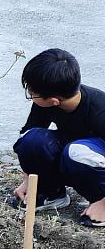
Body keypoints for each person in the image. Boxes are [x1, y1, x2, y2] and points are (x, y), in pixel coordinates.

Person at [10, 49, 105, 227]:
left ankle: (100, 200)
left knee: (76, 152)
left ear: (54, 100)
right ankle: (51, 194)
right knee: (31, 139)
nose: (31, 95)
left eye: (32, 93)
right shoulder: (44, 103)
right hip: (73, 156)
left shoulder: (100, 109)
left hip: (93, 160)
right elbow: (29, 134)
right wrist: (28, 181)